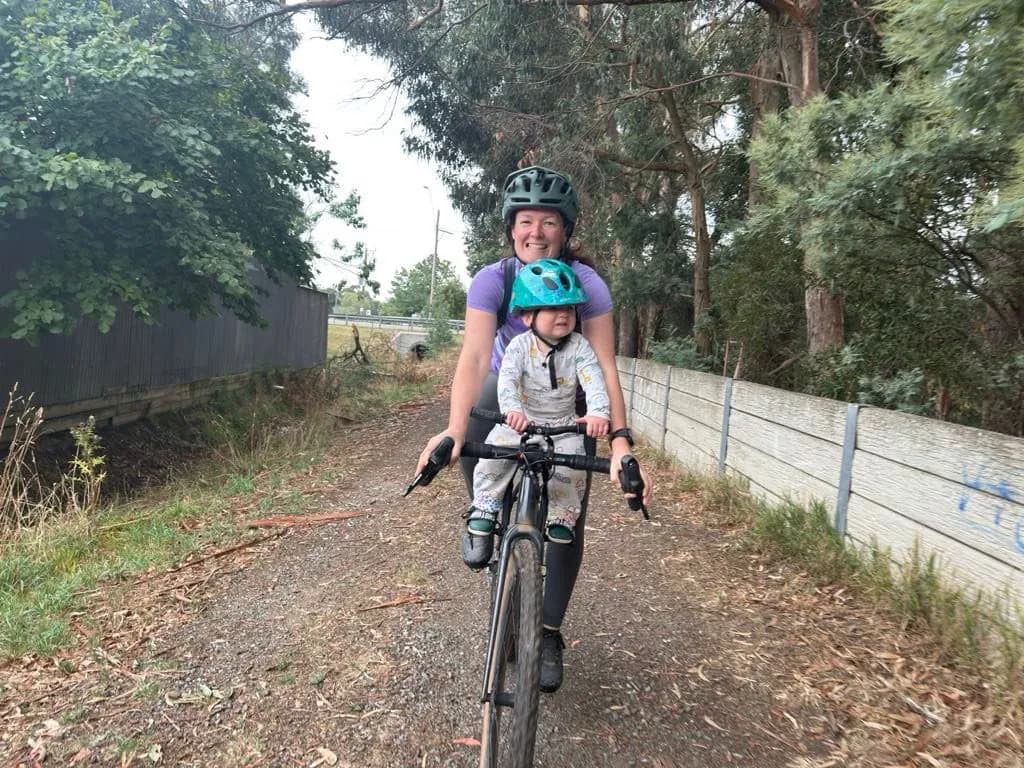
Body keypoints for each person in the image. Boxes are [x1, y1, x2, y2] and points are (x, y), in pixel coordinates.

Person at [416, 165, 652, 693]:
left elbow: (604, 366)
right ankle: (486, 510)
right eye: (526, 221)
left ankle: (547, 631)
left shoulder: (586, 284)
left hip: (568, 406)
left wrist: (620, 443)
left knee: (570, 509)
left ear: (565, 231)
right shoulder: (493, 280)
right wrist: (453, 432)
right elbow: (475, 357)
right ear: (511, 228)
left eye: (548, 222)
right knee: (486, 393)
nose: (536, 232)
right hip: (508, 405)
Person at [467, 259, 610, 546]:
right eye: (553, 307)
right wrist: (512, 410)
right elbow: (506, 380)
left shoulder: (579, 346)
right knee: (494, 459)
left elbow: (593, 378)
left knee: (571, 470)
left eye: (569, 308)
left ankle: (561, 516)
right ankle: (484, 505)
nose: (563, 315)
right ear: (527, 317)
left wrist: (598, 412)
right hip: (522, 420)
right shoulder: (519, 346)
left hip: (563, 424)